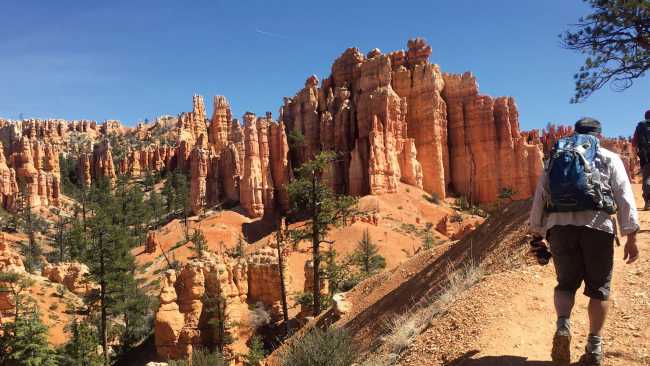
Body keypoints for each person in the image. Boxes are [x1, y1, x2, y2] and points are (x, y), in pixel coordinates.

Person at [529, 118, 640, 366]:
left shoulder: (555, 159)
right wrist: (631, 235)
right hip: (598, 227)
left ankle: (563, 326)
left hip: (559, 228)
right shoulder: (608, 157)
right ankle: (594, 347)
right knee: (599, 289)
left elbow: (540, 196)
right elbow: (624, 195)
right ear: (598, 135)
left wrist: (536, 232)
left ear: (574, 134)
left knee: (566, 284)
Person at [631, 110, 650, 210]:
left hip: (645, 156)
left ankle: (647, 201)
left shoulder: (640, 127)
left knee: (647, 178)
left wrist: (634, 157)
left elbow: (634, 143)